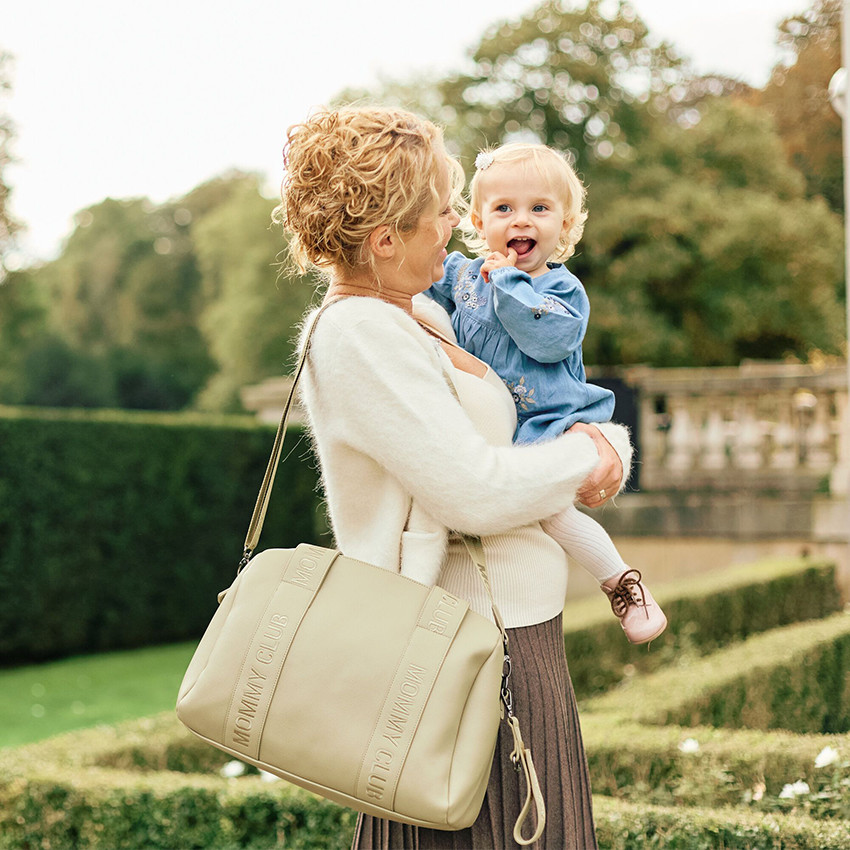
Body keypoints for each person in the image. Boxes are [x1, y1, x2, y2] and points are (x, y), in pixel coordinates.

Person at [274, 105, 633, 850]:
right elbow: (472, 491)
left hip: (508, 638)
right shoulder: (358, 333)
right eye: (440, 209)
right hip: (457, 652)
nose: (454, 223)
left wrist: (594, 437)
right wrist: (596, 452)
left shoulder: (419, 316)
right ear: (384, 239)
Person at [423, 142, 667, 645]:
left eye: (540, 208)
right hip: (495, 424)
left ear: (565, 223)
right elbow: (416, 283)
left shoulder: (561, 291)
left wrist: (509, 280)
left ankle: (621, 582)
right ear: (477, 218)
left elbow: (547, 337)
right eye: (504, 209)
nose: (522, 221)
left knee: (553, 511)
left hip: (551, 418)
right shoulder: (464, 276)